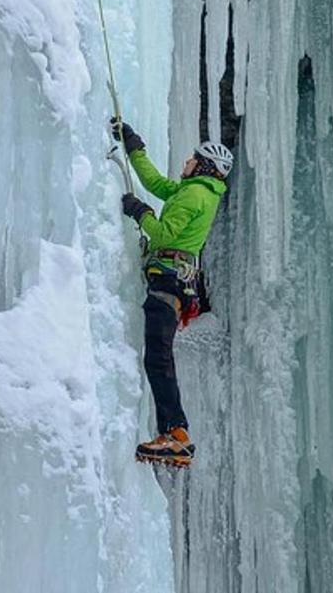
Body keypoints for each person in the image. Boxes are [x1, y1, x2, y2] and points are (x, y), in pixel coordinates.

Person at [110, 117, 233, 468]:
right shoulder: (194, 191)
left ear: (205, 166)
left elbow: (162, 234)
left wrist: (141, 213)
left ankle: (176, 434)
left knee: (159, 357)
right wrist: (134, 146)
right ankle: (173, 433)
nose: (185, 162)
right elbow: (154, 181)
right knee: (158, 357)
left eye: (192, 159)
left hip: (168, 281)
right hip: (172, 283)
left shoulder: (195, 193)